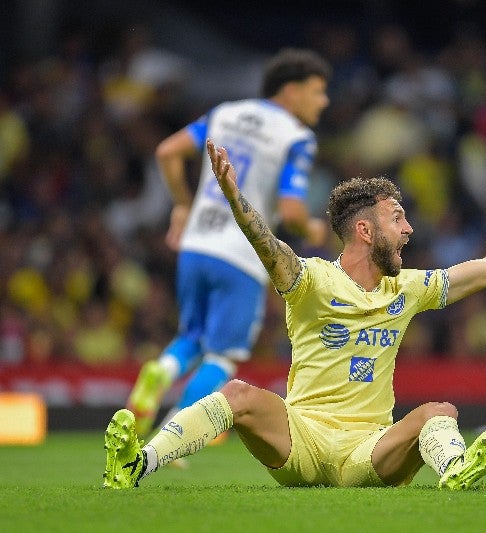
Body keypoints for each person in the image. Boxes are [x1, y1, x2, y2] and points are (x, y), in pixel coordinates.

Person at [103, 140, 486, 490]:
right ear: (365, 232)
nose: (410, 229)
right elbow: (269, 248)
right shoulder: (311, 280)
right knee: (238, 395)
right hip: (300, 438)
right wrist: (236, 200)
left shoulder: (409, 288)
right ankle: (138, 463)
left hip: (368, 450)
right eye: (398, 217)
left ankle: (458, 468)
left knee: (438, 412)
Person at [124, 48, 332, 438]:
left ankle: (162, 370)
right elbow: (290, 212)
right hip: (241, 257)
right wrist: (313, 230)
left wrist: (184, 205)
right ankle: (176, 434)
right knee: (223, 355)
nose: (324, 101)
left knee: (191, 336)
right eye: (318, 91)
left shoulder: (224, 113)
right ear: (291, 91)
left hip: (196, 245)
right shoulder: (297, 138)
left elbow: (167, 152)